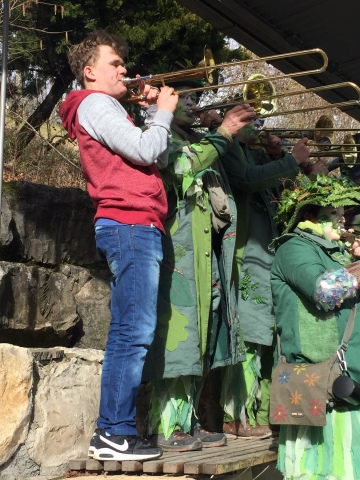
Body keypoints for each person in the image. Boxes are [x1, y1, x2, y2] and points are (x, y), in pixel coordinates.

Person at [59, 29, 178, 461]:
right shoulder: (96, 104)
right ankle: (113, 431)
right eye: (115, 63)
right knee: (133, 331)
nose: (125, 70)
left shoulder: (110, 108)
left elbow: (157, 156)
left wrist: (152, 115)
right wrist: (162, 114)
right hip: (128, 224)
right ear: (90, 72)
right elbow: (148, 152)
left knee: (133, 329)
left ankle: (116, 429)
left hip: (136, 223)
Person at [143, 79, 256, 452]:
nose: (192, 103)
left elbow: (234, 179)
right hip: (179, 253)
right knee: (180, 338)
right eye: (185, 97)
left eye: (194, 98)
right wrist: (223, 132)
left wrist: (218, 132)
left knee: (204, 338)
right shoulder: (158, 134)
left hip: (207, 253)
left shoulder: (194, 136)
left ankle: (189, 420)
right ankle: (168, 424)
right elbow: (182, 167)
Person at [216, 119, 327, 438]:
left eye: (262, 121)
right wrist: (289, 160)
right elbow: (248, 180)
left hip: (272, 259)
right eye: (252, 121)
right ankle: (235, 416)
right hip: (248, 256)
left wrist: (303, 170)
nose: (261, 127)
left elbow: (294, 205)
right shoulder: (230, 152)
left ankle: (266, 416)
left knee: (270, 338)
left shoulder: (262, 157)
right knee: (250, 335)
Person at [270, 173, 360, 480]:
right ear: (309, 215)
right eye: (332, 212)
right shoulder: (295, 247)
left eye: (342, 212)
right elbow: (325, 291)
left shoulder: (336, 251)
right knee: (321, 471)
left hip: (348, 381)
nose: (341, 218)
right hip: (321, 381)